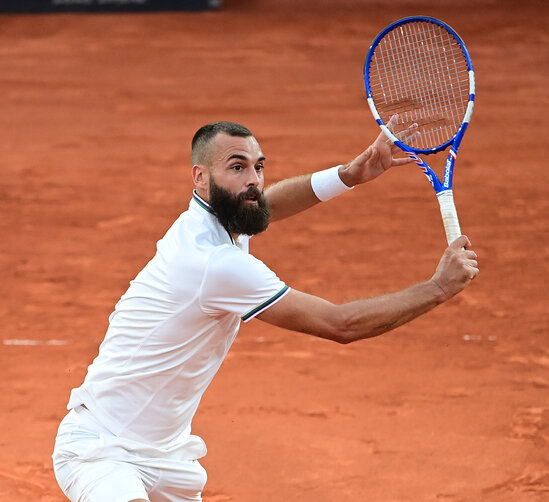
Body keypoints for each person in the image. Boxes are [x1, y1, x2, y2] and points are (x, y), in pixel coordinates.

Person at [52, 120, 479, 502]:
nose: (253, 179)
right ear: (200, 177)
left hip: (166, 455)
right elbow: (340, 324)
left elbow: (268, 203)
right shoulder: (215, 264)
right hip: (102, 450)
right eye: (237, 167)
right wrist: (438, 288)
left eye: (258, 166)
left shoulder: (213, 224)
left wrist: (348, 176)